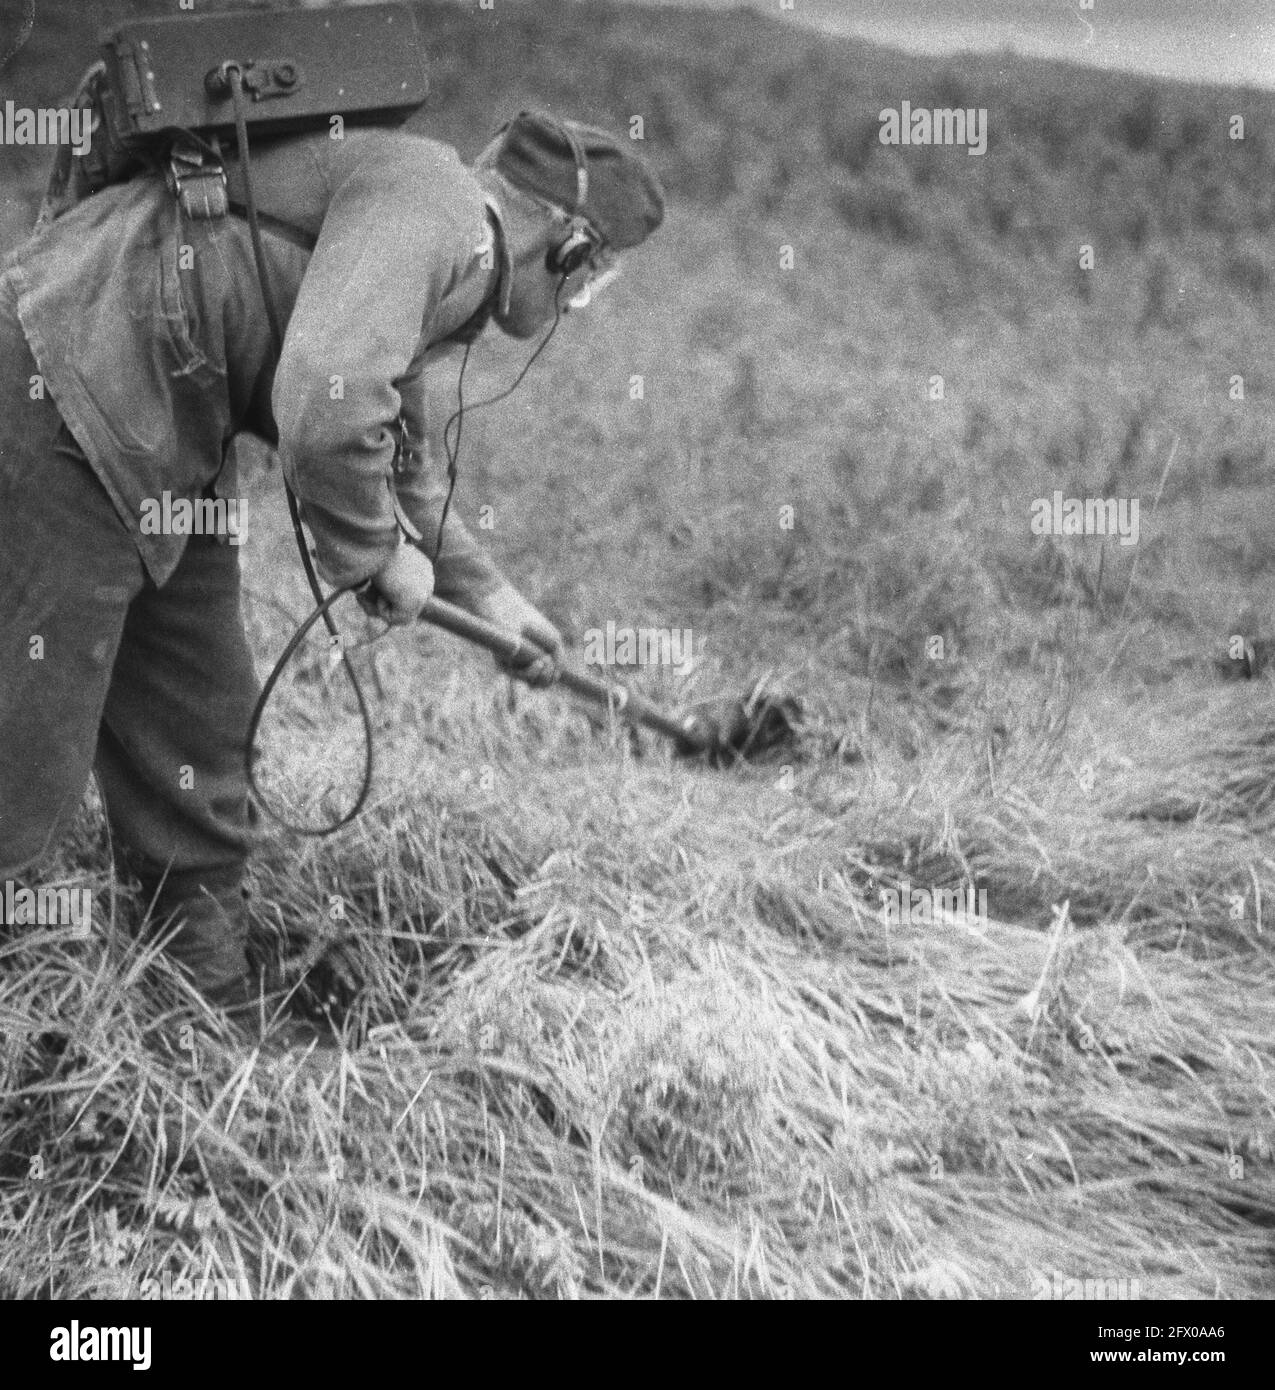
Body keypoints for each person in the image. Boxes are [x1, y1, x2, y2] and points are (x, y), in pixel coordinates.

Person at [0, 107, 665, 1019]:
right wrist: (370, 556)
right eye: (587, 283)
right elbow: (327, 400)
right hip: (64, 382)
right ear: (569, 243)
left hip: (165, 431)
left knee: (200, 716)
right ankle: (27, 1033)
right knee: (24, 742)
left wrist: (495, 601)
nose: (572, 305)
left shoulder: (445, 249)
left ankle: (204, 1008)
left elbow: (402, 454)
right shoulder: (438, 209)